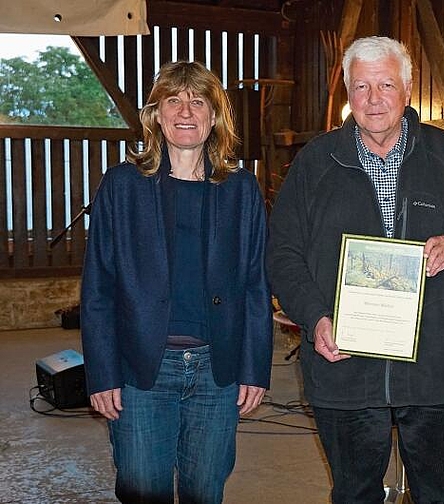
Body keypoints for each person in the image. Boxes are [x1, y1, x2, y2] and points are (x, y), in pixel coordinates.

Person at [266, 36, 444, 503]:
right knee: (354, 495)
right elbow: (282, 254)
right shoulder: (316, 163)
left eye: (386, 84)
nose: (374, 99)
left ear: (408, 89)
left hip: (437, 374)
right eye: (362, 86)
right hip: (345, 373)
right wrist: (315, 319)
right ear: (349, 93)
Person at [80, 60, 273, 503]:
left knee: (205, 493)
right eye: (174, 100)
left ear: (214, 116)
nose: (186, 111)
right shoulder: (122, 185)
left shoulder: (242, 189)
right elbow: (98, 290)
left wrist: (254, 367)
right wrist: (102, 373)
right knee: (144, 492)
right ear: (156, 114)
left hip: (216, 373)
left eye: (198, 101)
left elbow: (255, 286)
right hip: (140, 371)